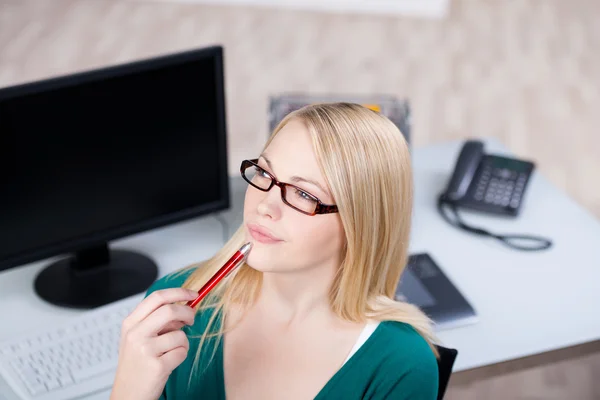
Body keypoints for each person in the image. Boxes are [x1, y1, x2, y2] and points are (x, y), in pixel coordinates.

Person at [110, 103, 440, 400]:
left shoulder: (402, 366)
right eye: (265, 173)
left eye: (302, 194)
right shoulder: (174, 308)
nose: (265, 205)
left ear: (362, 223)